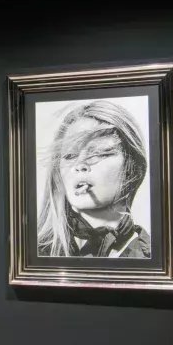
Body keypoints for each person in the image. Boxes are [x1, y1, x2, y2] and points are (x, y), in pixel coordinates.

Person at [36, 99, 150, 258]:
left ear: (132, 168)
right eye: (69, 155)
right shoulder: (32, 252)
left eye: (99, 153)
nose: (79, 164)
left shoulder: (153, 255)